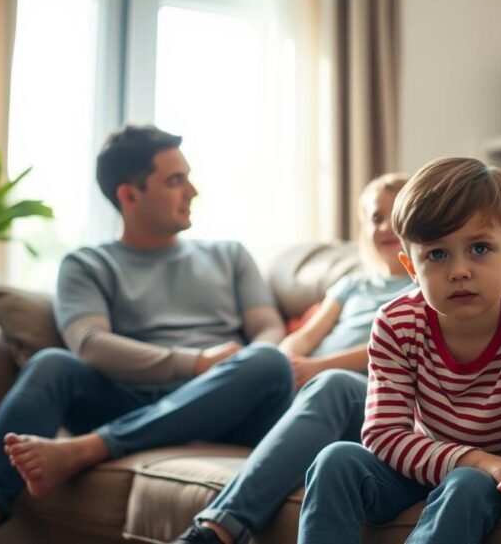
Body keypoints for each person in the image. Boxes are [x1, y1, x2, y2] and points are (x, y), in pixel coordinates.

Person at [0, 126, 295, 544]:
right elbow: (90, 344)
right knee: (52, 364)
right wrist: (194, 362)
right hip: (130, 397)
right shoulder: (87, 264)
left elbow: (268, 328)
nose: (192, 191)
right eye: (175, 181)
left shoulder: (230, 255)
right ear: (129, 195)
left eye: (188, 177)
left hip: (226, 403)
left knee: (268, 361)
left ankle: (88, 448)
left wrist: (226, 367)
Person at [298, 157, 501, 544]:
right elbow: (384, 433)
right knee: (335, 459)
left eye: (479, 248)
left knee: (467, 483)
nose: (459, 271)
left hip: (497, 483)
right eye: (437, 254)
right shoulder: (395, 322)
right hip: (422, 467)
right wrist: (478, 459)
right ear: (410, 266)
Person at [173, 173, 416, 544]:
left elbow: (388, 345)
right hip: (311, 388)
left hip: (367, 398)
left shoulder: (425, 284)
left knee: (332, 385)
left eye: (394, 217)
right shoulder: (352, 285)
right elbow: (306, 335)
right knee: (265, 365)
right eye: (375, 218)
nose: (384, 227)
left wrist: (318, 367)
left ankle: (217, 531)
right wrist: (287, 359)